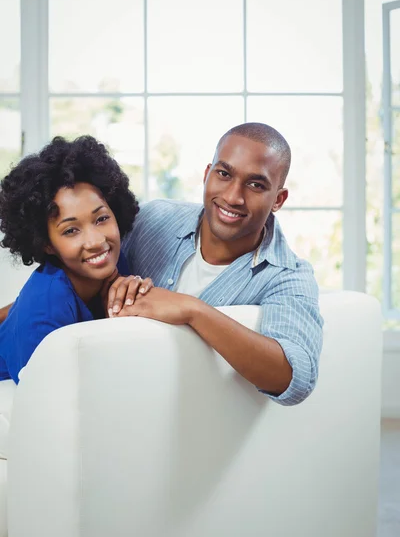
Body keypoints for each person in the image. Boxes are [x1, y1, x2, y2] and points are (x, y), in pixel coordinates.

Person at [108, 122, 323, 406]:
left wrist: (191, 310)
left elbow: (295, 379)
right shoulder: (152, 219)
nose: (233, 197)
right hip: (117, 400)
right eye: (224, 174)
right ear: (207, 174)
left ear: (278, 199)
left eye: (256, 185)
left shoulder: (287, 276)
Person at [0, 135, 151, 383]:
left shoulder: (112, 261)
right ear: (46, 243)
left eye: (101, 219)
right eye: (71, 230)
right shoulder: (44, 312)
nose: (96, 242)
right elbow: (45, 401)